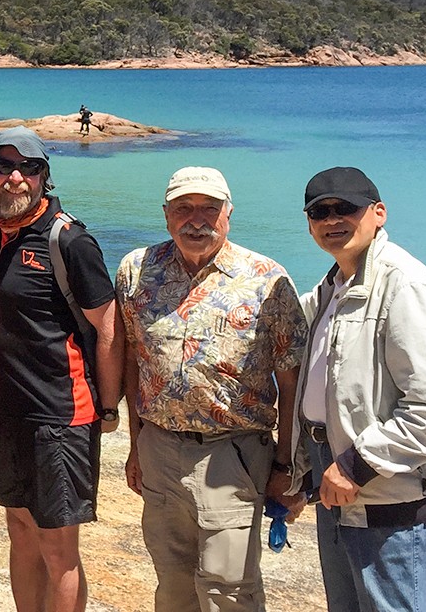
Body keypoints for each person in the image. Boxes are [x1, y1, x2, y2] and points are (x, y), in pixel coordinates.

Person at [115, 167, 307, 612]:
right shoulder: (137, 269)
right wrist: (135, 445)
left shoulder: (267, 279)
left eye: (209, 209)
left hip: (234, 456)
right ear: (166, 216)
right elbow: (132, 359)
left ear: (229, 214)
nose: (195, 220)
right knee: (173, 584)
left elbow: (292, 378)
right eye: (183, 208)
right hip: (159, 450)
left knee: (229, 590)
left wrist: (287, 464)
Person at [290, 167, 426, 612]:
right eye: (319, 212)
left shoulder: (404, 284)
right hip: (334, 480)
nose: (332, 220)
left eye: (344, 208)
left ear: (378, 213)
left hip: (384, 490)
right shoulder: (335, 285)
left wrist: (355, 466)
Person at [0, 127, 122, 612]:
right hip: (5, 414)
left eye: (29, 168)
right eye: (4, 167)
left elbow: (109, 328)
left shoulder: (70, 241)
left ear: (45, 177)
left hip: (61, 415)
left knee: (59, 550)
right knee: (19, 530)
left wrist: (109, 406)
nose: (15, 178)